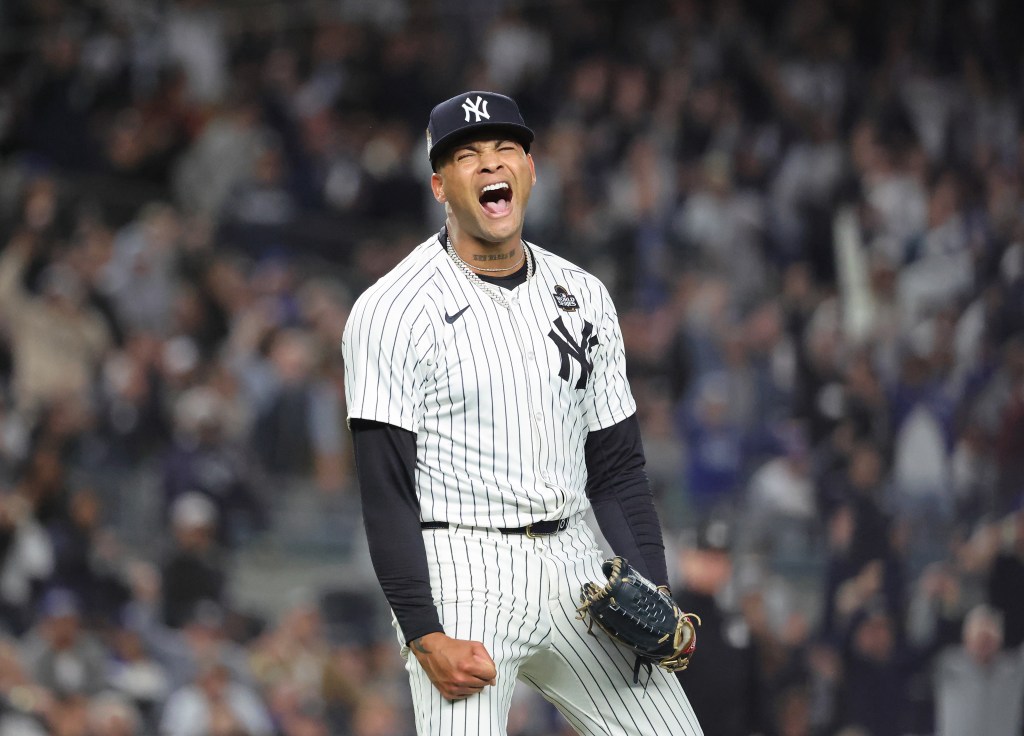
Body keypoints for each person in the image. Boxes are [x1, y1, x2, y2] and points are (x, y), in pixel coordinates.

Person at [342, 90, 703, 735]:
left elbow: (617, 467)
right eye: (467, 156)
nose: (490, 165)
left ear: (530, 169)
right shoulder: (391, 310)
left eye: (505, 148)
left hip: (579, 562)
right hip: (462, 567)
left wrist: (656, 590)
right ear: (439, 185)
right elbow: (386, 490)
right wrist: (424, 632)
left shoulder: (583, 295)